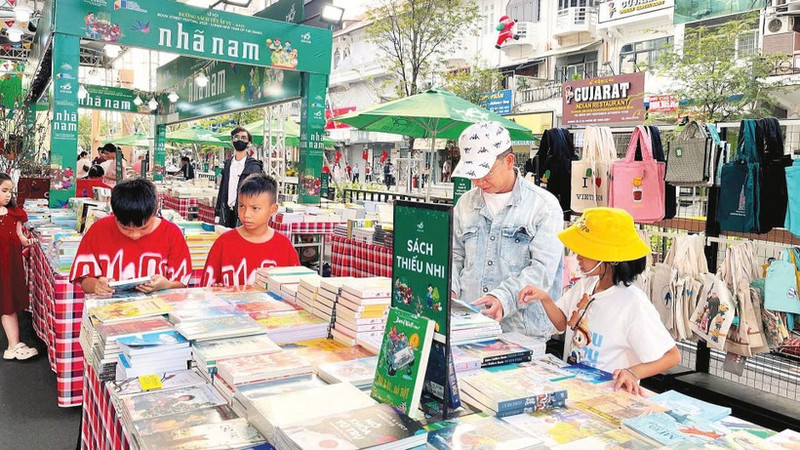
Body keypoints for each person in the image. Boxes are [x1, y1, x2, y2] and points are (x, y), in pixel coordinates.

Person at [518, 208, 681, 394]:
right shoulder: (586, 284)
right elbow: (563, 323)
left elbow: (672, 356)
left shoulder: (633, 303)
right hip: (575, 388)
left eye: (584, 251)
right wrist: (544, 298)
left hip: (608, 396)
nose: (577, 257)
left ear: (609, 257)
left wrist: (633, 372)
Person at [451, 121, 563, 339]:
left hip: (521, 331)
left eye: (486, 172)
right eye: (473, 173)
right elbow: (455, 256)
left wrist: (503, 298)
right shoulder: (465, 204)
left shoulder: (543, 207)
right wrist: (451, 291)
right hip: (468, 326)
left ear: (509, 161)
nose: (478, 181)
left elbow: (542, 271)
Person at [69, 178, 193, 295]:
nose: (135, 235)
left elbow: (181, 283)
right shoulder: (99, 230)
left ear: (155, 211)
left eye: (144, 228)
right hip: (110, 310)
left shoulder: (171, 233)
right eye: (125, 228)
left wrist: (167, 285)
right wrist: (96, 285)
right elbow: (83, 279)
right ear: (114, 214)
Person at [202, 173, 300, 287]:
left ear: (273, 209)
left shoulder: (284, 246)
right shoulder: (223, 243)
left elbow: (295, 290)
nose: (246, 214)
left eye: (255, 208)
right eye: (241, 206)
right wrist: (215, 291)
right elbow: (205, 290)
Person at [0, 173, 38, 360]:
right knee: (6, 303)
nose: (8, 195)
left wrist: (28, 242)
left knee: (9, 303)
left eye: (10, 191)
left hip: (10, 266)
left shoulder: (15, 214)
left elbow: (20, 236)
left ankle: (13, 344)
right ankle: (12, 344)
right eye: (4, 191)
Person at [215, 127, 264, 228]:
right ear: (232, 141)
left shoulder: (254, 167)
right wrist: (218, 211)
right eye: (236, 137)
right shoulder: (228, 164)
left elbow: (258, 194)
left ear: (249, 143)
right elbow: (222, 189)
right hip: (227, 212)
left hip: (245, 214)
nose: (240, 140)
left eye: (243, 138)